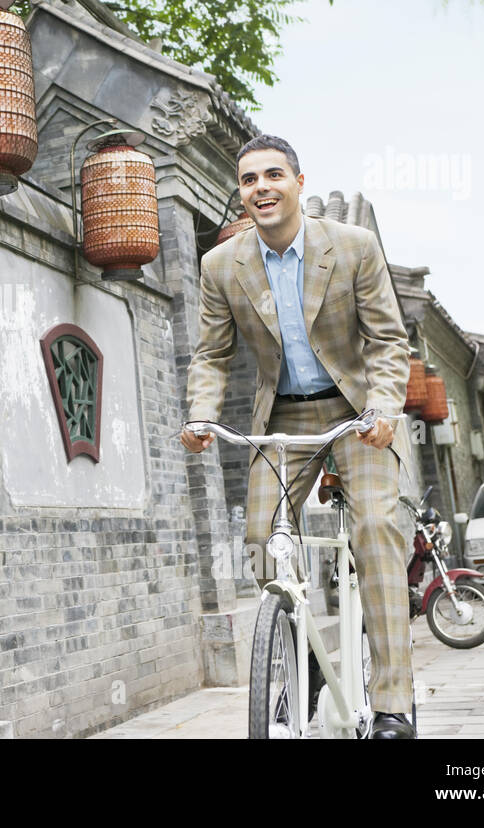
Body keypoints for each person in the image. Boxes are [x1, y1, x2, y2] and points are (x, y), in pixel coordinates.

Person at [180, 134, 416, 738]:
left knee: (375, 528)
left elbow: (388, 342)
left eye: (273, 175)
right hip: (281, 418)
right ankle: (299, 647)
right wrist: (201, 414)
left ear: (298, 183)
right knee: (260, 539)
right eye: (249, 179)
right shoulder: (220, 265)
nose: (261, 187)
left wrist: (386, 407)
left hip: (357, 414)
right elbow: (211, 353)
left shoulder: (353, 248)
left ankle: (392, 703)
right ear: (242, 192)